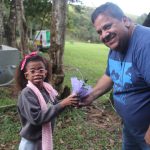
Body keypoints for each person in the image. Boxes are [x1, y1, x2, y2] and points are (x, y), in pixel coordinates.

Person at [79, 2, 150, 150]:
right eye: (99, 32)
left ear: (125, 20)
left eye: (107, 26)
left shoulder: (145, 44)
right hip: (130, 129)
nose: (104, 35)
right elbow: (110, 75)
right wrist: (91, 95)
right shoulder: (117, 44)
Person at [15, 51, 78, 150]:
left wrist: (69, 101)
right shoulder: (27, 94)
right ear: (26, 75)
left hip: (42, 138)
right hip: (31, 141)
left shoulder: (47, 89)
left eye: (40, 70)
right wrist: (63, 104)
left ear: (45, 72)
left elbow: (54, 105)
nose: (37, 74)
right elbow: (36, 118)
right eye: (32, 71)